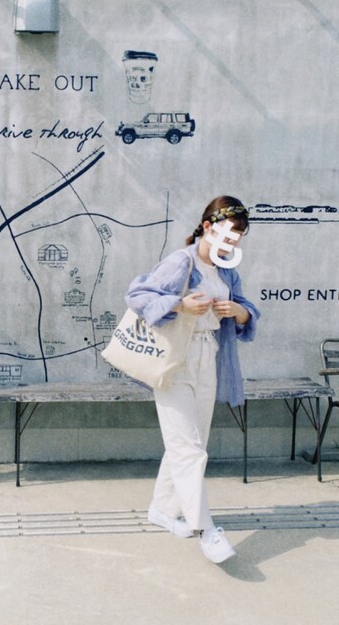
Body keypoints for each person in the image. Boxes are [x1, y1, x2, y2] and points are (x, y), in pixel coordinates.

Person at [125, 195, 260, 564]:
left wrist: (239, 311)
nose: (231, 243)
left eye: (238, 237)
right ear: (207, 227)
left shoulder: (227, 271)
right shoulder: (181, 262)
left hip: (207, 357)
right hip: (175, 360)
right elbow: (137, 295)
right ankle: (206, 529)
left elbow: (247, 311)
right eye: (227, 234)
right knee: (190, 449)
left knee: (189, 441)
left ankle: (162, 510)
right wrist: (179, 305)